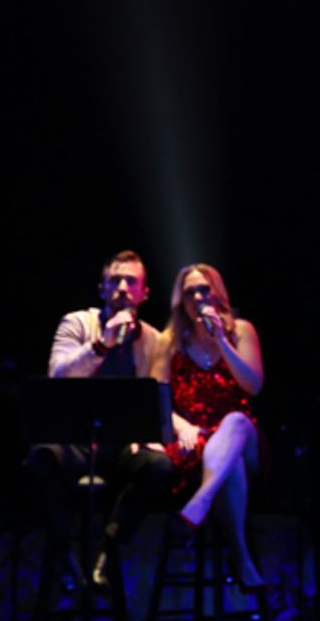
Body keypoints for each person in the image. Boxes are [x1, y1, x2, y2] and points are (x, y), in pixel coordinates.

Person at [26, 249, 176, 589]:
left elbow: (156, 400)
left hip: (120, 446)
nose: (123, 287)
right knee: (40, 459)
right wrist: (103, 343)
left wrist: (151, 436)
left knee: (160, 467)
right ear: (102, 289)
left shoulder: (153, 339)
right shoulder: (77, 322)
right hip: (75, 441)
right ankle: (66, 557)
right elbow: (58, 375)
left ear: (144, 293)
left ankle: (107, 552)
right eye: (115, 281)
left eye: (131, 282)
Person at [150, 263, 266, 590]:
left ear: (218, 292)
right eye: (191, 293)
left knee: (236, 421)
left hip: (242, 436)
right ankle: (242, 559)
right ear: (181, 301)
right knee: (232, 468)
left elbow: (253, 386)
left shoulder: (241, 331)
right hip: (194, 441)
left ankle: (200, 501)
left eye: (205, 289)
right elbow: (157, 399)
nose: (199, 297)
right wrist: (181, 424)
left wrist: (222, 342)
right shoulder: (169, 341)